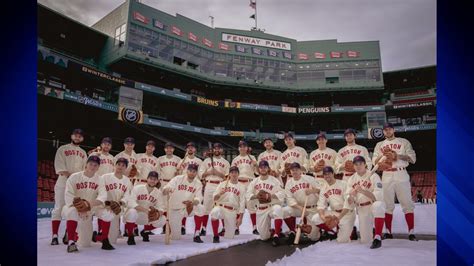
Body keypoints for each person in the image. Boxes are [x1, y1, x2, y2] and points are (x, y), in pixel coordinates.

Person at [372, 122, 417, 241]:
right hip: (386, 174)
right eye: (385, 129)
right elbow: (374, 161)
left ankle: (411, 232)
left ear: (393, 130)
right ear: (383, 131)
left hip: (401, 172)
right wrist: (382, 158)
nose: (387, 131)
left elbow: (412, 159)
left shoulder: (403, 141)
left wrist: (397, 156)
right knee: (387, 205)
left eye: (389, 129)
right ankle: (388, 232)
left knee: (407, 203)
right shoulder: (379, 145)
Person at [51, 128, 87, 245]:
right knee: (59, 208)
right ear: (71, 136)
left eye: (80, 136)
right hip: (63, 182)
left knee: (75, 208)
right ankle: (54, 235)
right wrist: (72, 177)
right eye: (75, 135)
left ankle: (68, 233)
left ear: (82, 138)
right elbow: (61, 169)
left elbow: (84, 171)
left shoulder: (83, 153)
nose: (77, 137)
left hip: (77, 185)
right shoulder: (62, 148)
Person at [63, 156, 106, 252]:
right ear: (86, 164)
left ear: (98, 167)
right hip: (75, 207)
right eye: (90, 164)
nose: (93, 166)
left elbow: (103, 197)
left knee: (85, 243)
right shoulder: (74, 176)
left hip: (89, 210)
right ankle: (71, 241)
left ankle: (95, 235)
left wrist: (87, 205)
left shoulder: (100, 179)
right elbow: (68, 194)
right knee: (71, 211)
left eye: (95, 165)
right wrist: (80, 208)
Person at [345, 156, 386, 249]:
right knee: (365, 240)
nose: (358, 166)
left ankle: (378, 236)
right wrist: (351, 196)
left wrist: (362, 191)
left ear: (365, 165)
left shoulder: (373, 175)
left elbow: (377, 197)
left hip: (372, 204)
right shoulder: (351, 179)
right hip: (362, 208)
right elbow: (348, 199)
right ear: (353, 166)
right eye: (356, 164)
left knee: (378, 206)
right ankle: (371, 230)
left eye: (360, 164)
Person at [93, 158, 133, 250]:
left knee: (113, 239)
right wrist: (107, 203)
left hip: (117, 209)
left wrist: (120, 203)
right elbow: (100, 192)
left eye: (123, 165)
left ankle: (96, 237)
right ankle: (105, 241)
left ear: (126, 168)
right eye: (119, 164)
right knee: (107, 214)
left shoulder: (127, 181)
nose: (120, 167)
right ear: (115, 165)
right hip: (104, 207)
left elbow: (127, 195)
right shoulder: (105, 177)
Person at [246, 161, 286, 247]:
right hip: (261, 209)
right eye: (261, 167)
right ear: (259, 169)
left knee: (278, 209)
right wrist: (256, 196)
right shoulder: (254, 181)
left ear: (268, 168)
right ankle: (271, 232)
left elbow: (282, 193)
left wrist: (270, 195)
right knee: (264, 237)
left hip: (272, 206)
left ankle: (276, 235)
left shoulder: (274, 180)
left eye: (265, 167)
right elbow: (247, 194)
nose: (263, 169)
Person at [312, 166, 356, 243]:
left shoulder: (343, 184)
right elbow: (320, 205)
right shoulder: (324, 188)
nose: (327, 176)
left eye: (329, 173)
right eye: (325, 174)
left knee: (342, 241)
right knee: (315, 218)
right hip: (334, 213)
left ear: (333, 174)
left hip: (347, 214)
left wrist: (336, 220)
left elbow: (348, 205)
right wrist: (324, 218)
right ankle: (335, 230)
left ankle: (351, 230)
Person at [162, 164, 204, 242]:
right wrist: (167, 189)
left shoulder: (198, 183)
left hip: (188, 207)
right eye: (190, 171)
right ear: (187, 171)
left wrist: (193, 202)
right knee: (176, 237)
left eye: (194, 171)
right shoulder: (178, 179)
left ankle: (197, 234)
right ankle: (173, 230)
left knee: (200, 208)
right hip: (175, 209)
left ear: (196, 173)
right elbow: (167, 188)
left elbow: (199, 197)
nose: (192, 173)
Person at [282, 162, 321, 244]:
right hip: (299, 208)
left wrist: (313, 191)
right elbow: (289, 198)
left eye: (296, 169)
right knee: (284, 211)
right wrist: (301, 208)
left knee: (314, 237)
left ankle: (318, 229)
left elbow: (321, 189)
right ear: (290, 172)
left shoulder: (309, 179)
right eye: (293, 170)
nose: (295, 172)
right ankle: (293, 231)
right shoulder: (289, 183)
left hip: (312, 209)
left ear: (300, 170)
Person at [124, 171, 166, 245]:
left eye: (155, 179)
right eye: (151, 178)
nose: (152, 181)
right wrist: (146, 210)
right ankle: (130, 235)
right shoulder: (137, 188)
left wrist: (157, 213)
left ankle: (145, 231)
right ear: (147, 179)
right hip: (136, 215)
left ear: (157, 181)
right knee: (132, 211)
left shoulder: (158, 193)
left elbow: (161, 207)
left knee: (163, 219)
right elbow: (131, 202)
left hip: (147, 217)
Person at [198, 143, 230, 236]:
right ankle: (203, 228)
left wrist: (217, 172)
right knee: (206, 207)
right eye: (215, 148)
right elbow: (201, 175)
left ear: (221, 150)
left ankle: (224, 228)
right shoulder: (206, 161)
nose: (217, 150)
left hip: (220, 185)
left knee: (222, 206)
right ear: (213, 150)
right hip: (209, 184)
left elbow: (227, 177)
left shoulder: (226, 162)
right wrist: (209, 172)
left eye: (219, 148)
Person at [210, 166, 246, 243]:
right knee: (214, 212)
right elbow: (214, 198)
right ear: (229, 174)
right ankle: (215, 236)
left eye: (235, 172)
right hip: (221, 208)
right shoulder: (222, 184)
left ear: (238, 174)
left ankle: (225, 231)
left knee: (229, 237)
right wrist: (219, 194)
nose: (234, 174)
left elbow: (242, 203)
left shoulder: (242, 187)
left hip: (232, 211)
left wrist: (240, 218)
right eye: (232, 172)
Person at [231, 140, 258, 235]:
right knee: (238, 205)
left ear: (247, 148)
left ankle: (255, 227)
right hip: (239, 183)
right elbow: (232, 174)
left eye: (244, 146)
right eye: (240, 146)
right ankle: (236, 227)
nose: (242, 148)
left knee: (251, 205)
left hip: (250, 183)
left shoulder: (252, 157)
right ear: (238, 148)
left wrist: (256, 165)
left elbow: (257, 172)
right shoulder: (235, 159)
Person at [176, 142, 203, 235]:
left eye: (192, 147)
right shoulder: (181, 160)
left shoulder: (199, 161)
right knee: (182, 205)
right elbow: (177, 173)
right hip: (183, 186)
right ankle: (182, 226)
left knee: (197, 206)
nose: (190, 149)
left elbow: (200, 175)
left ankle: (198, 231)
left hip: (195, 186)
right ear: (186, 149)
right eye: (188, 147)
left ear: (195, 149)